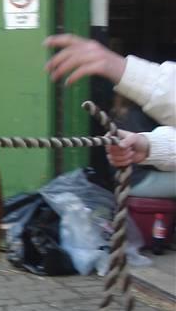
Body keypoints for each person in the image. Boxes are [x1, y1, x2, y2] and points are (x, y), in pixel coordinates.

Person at [44, 34, 176, 198]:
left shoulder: (126, 110)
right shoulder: (132, 113)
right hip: (135, 181)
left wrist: (123, 70)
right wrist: (150, 145)